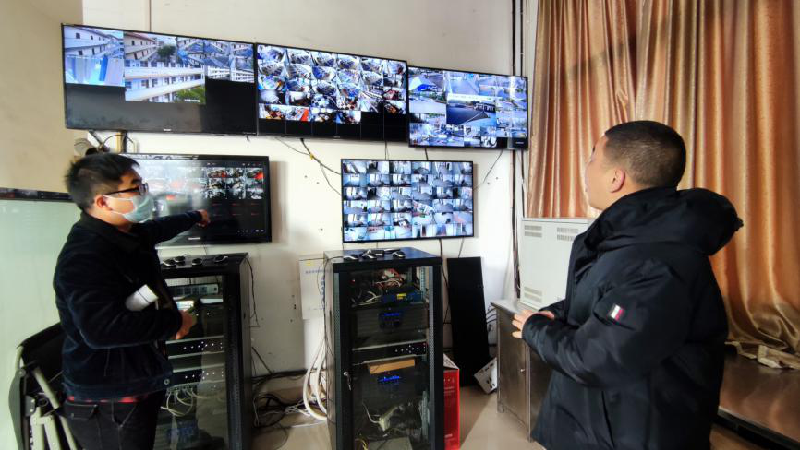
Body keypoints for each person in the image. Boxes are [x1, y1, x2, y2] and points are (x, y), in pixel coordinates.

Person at [512, 121, 742, 450]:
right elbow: (603, 301)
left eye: (592, 158)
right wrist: (556, 313)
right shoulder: (618, 240)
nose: (586, 169)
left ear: (616, 178)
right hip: (590, 427)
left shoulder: (659, 263)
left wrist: (536, 330)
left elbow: (597, 357)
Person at [54, 152, 210, 450]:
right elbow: (102, 330)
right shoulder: (84, 256)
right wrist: (174, 322)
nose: (144, 195)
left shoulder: (123, 233)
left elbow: (156, 229)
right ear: (103, 201)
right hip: (109, 397)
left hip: (136, 379)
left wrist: (194, 217)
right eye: (135, 188)